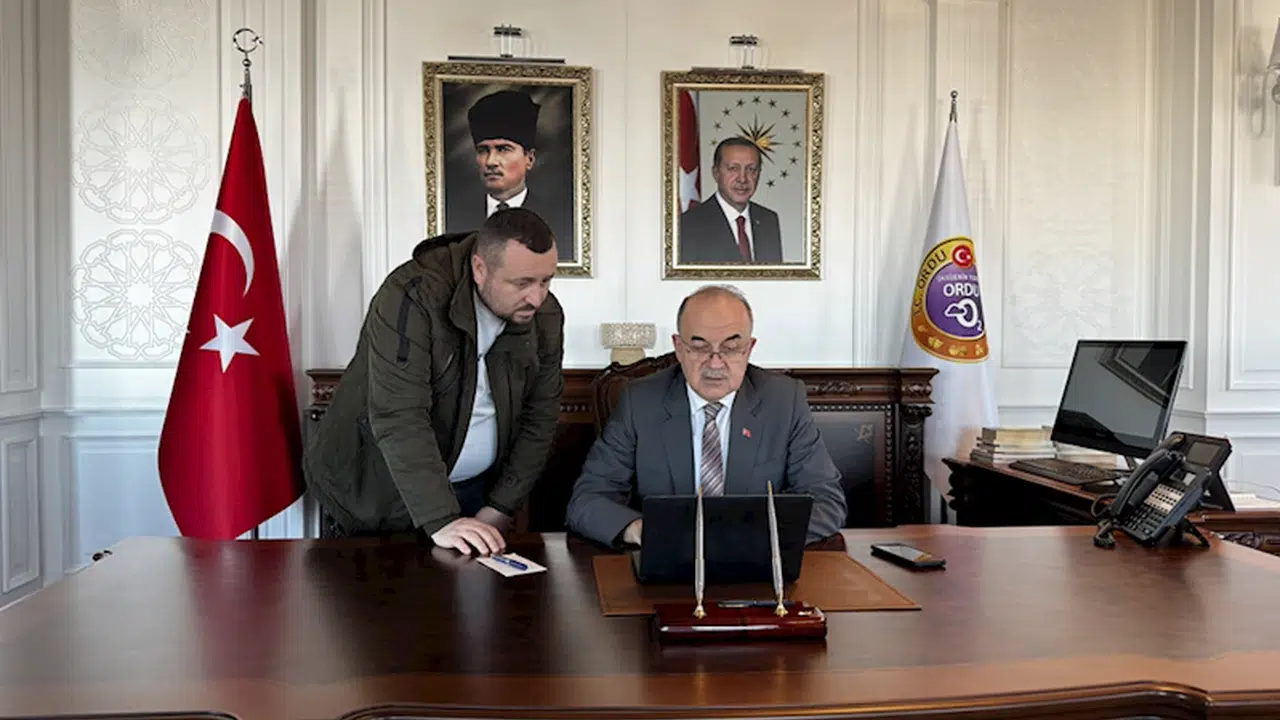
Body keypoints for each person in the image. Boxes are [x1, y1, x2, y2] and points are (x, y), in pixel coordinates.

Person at [303, 207, 564, 556]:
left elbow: (540, 418)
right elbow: (399, 414)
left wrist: (500, 506)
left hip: (474, 493)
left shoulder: (546, 316)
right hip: (376, 489)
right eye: (522, 283)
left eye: (546, 281)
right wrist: (439, 517)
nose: (537, 298)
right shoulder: (412, 295)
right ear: (480, 269)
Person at [565, 285, 845, 548]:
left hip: (758, 562)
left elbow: (827, 502)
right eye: (700, 347)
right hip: (667, 559)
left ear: (749, 348)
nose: (715, 363)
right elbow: (587, 500)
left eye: (731, 348)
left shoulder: (783, 400)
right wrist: (643, 530)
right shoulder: (640, 402)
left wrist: (747, 536)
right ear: (679, 347)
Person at [444, 89, 574, 262]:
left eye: (503, 149)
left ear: (529, 159)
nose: (491, 161)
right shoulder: (456, 214)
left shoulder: (556, 219)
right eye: (483, 150)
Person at [678, 137, 783, 264]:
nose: (742, 179)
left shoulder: (768, 220)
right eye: (733, 168)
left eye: (751, 169)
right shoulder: (688, 225)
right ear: (716, 173)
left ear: (759, 174)